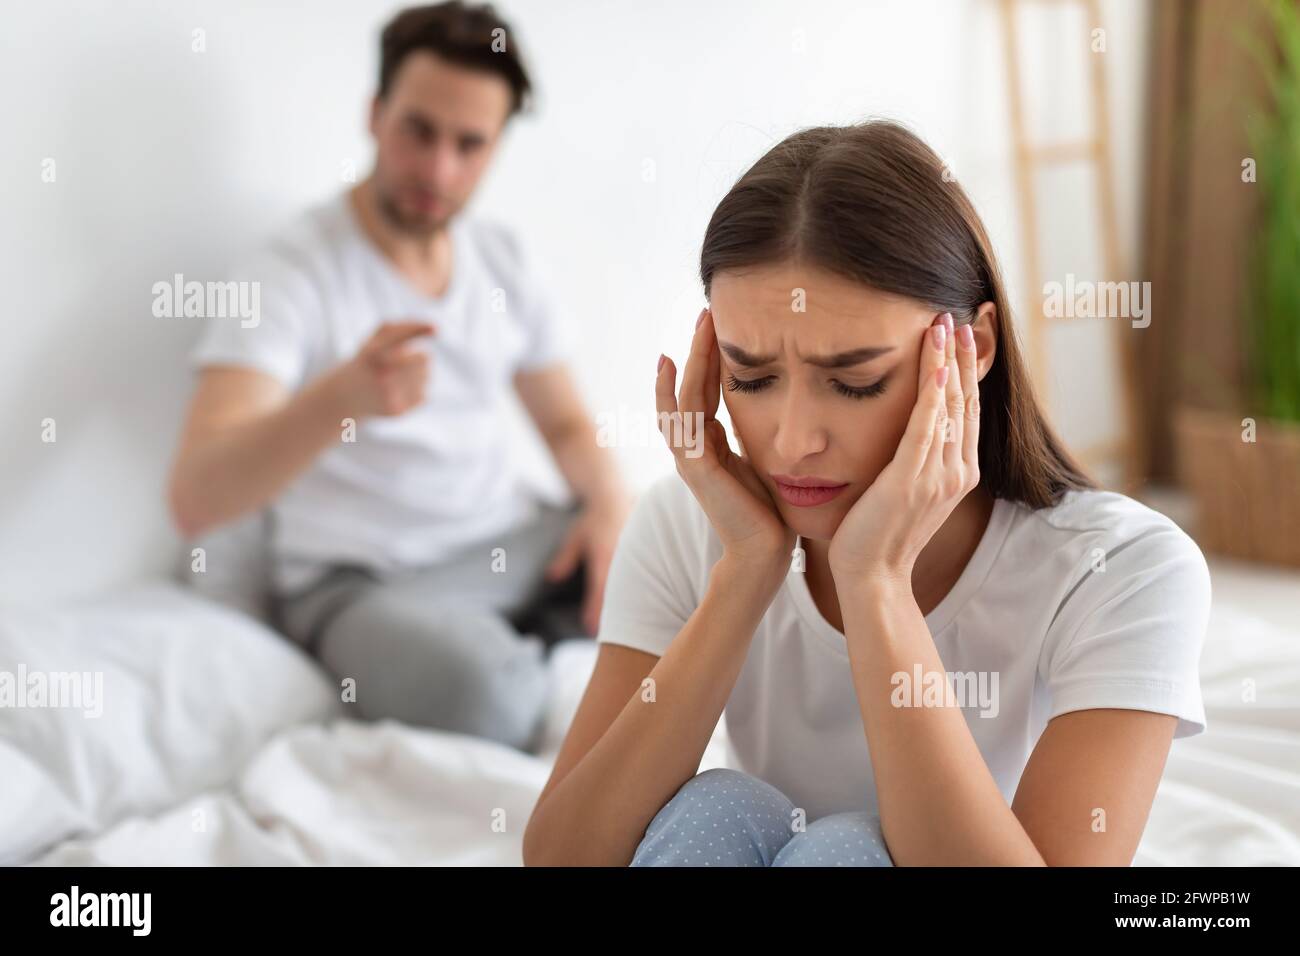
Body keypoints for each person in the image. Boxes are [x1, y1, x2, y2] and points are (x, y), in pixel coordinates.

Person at [523, 120, 1212, 866]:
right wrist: (746, 570)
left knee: (845, 852)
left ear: (972, 349)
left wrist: (875, 582)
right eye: (750, 378)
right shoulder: (682, 528)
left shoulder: (1124, 570)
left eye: (854, 382)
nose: (792, 441)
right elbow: (563, 855)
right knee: (721, 810)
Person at [168, 2, 631, 754]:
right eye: (419, 130)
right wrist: (342, 400)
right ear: (375, 114)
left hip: (505, 545)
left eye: (469, 144)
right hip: (362, 585)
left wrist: (610, 503)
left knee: (686, 539)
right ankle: (528, 646)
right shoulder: (292, 271)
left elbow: (567, 427)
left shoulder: (502, 258)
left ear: (496, 148)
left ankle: (535, 629)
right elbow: (194, 497)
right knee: (483, 696)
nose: (439, 169)